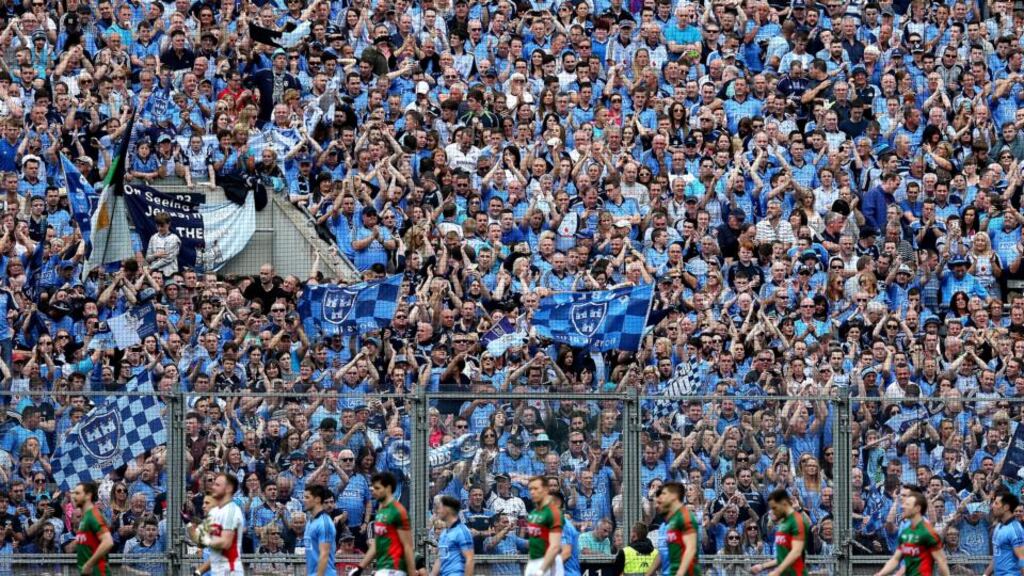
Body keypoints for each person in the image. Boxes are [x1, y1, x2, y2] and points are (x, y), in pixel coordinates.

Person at [871, 490, 948, 576]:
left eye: (907, 505)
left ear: (917, 508)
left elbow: (942, 562)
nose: (903, 507)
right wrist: (880, 574)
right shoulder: (906, 532)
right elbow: (896, 559)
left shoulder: (928, 533)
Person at [356, 472, 416, 576]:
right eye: (373, 489)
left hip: (394, 569)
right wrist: (360, 568)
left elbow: (408, 546)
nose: (373, 492)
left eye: (377, 488)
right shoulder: (380, 511)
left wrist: (411, 573)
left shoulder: (398, 511)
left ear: (388, 488)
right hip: (382, 568)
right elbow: (376, 544)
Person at [752, 489, 808, 576]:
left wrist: (777, 571)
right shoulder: (783, 524)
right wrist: (762, 566)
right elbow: (782, 557)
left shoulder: (796, 522)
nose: (772, 511)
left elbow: (796, 553)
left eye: (774, 508)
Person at [649, 482, 699, 576]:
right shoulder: (663, 527)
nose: (657, 505)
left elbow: (690, 550)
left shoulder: (685, 520)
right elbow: (662, 552)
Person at [205, 474, 245, 576]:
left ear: (228, 489)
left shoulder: (232, 510)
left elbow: (225, 543)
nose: (213, 487)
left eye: (217, 485)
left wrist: (203, 538)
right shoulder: (216, 512)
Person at [73, 481, 114, 576]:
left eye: (78, 493)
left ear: (88, 495)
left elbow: (108, 542)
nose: (74, 497)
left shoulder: (93, 515)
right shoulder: (86, 517)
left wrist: (88, 565)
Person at [525, 476, 563, 576]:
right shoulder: (532, 513)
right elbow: (533, 542)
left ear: (546, 490)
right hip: (533, 562)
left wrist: (541, 570)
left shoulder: (553, 512)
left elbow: (555, 546)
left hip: (549, 562)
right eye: (530, 489)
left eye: (536, 488)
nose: (532, 492)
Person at [431, 495, 474, 576]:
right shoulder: (444, 533)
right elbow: (440, 558)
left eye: (440, 508)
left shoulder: (462, 531)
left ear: (447, 509)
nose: (438, 511)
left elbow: (470, 559)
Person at [987, 490, 1024, 576]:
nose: (993, 506)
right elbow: (997, 556)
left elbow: (1022, 559)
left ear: (1006, 507)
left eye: (996, 503)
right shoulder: (998, 526)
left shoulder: (1015, 530)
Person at [303, 485, 337, 576]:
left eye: (307, 497)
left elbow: (324, 555)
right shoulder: (309, 522)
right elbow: (309, 555)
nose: (304, 500)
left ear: (317, 499)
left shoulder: (325, 523)